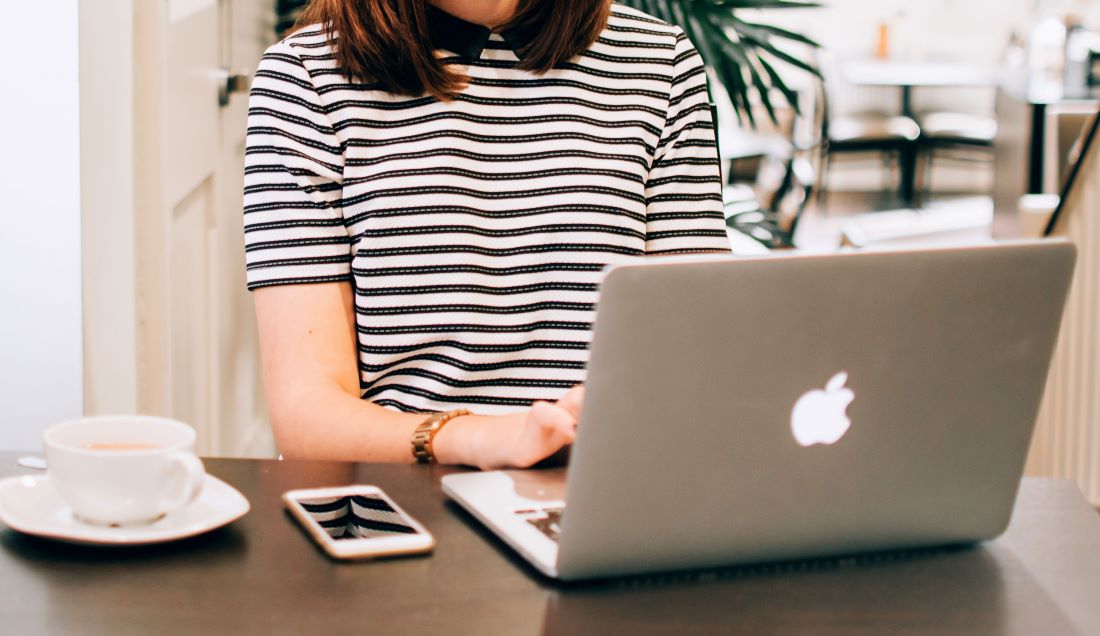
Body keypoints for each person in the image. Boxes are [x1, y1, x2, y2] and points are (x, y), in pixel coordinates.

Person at [244, 0, 730, 469]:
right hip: (412, 517)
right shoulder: (304, 76)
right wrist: (476, 437)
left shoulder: (660, 61)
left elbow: (700, 348)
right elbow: (307, 414)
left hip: (613, 503)